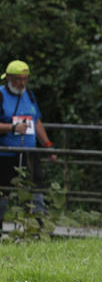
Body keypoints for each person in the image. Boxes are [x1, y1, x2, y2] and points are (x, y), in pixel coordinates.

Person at [0, 60, 54, 230]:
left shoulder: (28, 94)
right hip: (5, 155)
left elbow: (36, 121)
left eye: (25, 79)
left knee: (35, 190)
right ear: (8, 78)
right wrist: (12, 127)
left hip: (30, 154)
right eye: (18, 79)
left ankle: (38, 230)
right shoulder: (0, 95)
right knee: (3, 194)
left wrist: (48, 145)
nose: (22, 83)